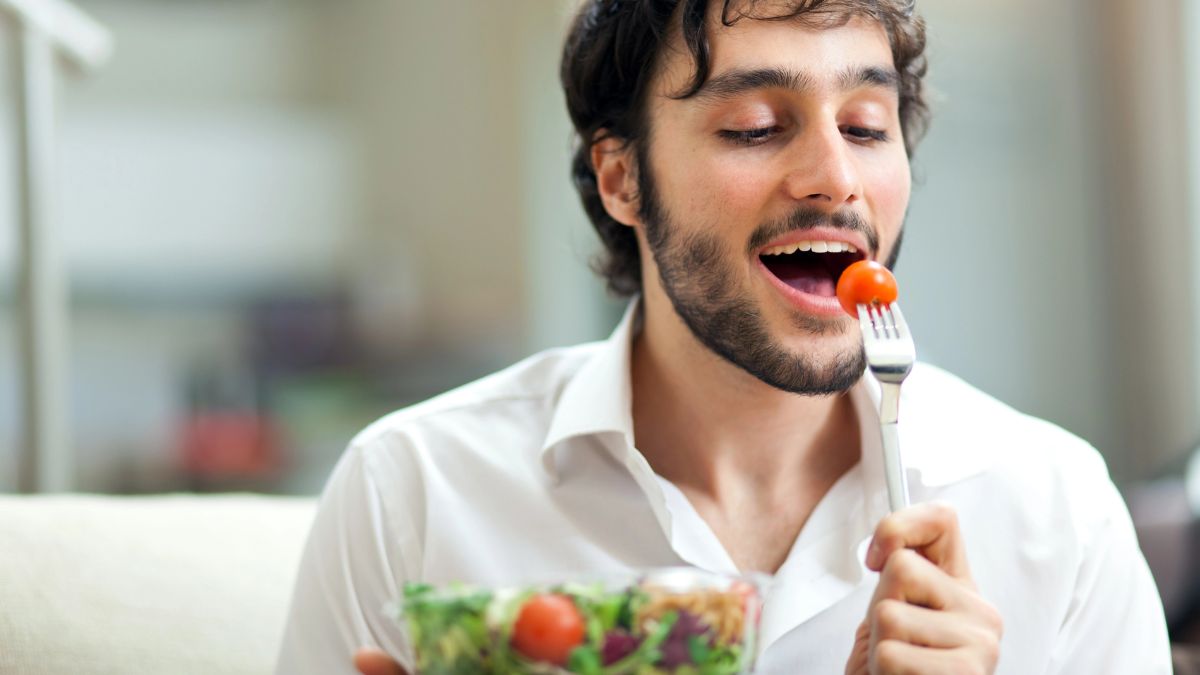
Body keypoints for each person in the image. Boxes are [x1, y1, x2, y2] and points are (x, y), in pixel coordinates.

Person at [276, 1, 1172, 673]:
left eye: (866, 126)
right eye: (754, 127)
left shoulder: (1056, 508)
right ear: (623, 178)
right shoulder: (414, 491)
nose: (834, 176)